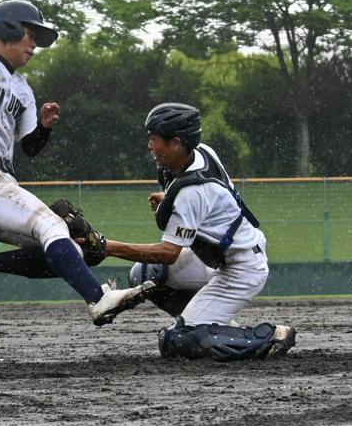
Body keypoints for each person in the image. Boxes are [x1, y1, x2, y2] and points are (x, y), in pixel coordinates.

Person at [0, 0, 155, 326]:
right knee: (51, 226)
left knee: (79, 249)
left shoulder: (23, 90)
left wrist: (45, 128)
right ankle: (98, 299)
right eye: (29, 33)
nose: (34, 44)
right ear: (7, 29)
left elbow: (30, 148)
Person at [78, 102, 297, 361]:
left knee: (177, 342)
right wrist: (169, 198)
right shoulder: (202, 152)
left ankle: (270, 336)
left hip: (241, 270)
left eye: (155, 138)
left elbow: (169, 252)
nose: (150, 145)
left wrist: (106, 246)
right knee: (145, 274)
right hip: (218, 259)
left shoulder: (191, 192)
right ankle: (206, 324)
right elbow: (213, 201)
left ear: (177, 143)